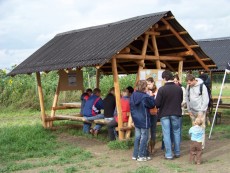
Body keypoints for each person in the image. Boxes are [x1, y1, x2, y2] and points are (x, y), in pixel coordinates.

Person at [155, 70, 183, 160]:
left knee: (166, 134)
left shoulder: (162, 89)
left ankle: (168, 154)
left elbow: (157, 104)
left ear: (165, 78)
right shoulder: (179, 88)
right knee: (176, 132)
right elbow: (180, 100)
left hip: (164, 114)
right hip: (176, 113)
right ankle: (177, 152)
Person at [130, 80, 155, 161]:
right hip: (144, 119)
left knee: (137, 136)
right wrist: (151, 96)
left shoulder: (133, 95)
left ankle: (135, 155)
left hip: (136, 118)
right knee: (145, 137)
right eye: (147, 85)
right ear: (144, 87)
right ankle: (141, 155)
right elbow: (151, 105)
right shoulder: (145, 96)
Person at [185, 74, 209, 149]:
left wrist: (201, 112)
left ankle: (201, 146)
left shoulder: (202, 86)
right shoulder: (188, 87)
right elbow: (187, 97)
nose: (188, 84)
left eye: (190, 83)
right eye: (188, 83)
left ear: (194, 80)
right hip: (192, 110)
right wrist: (189, 110)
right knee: (194, 128)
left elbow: (205, 100)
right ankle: (194, 144)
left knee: (201, 128)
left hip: (200, 111)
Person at [146, 77, 158, 153]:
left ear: (153, 83)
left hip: (154, 112)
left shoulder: (157, 91)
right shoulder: (145, 91)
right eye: (147, 84)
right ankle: (147, 148)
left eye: (149, 84)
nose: (148, 85)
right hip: (147, 113)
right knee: (147, 131)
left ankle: (152, 148)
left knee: (153, 131)